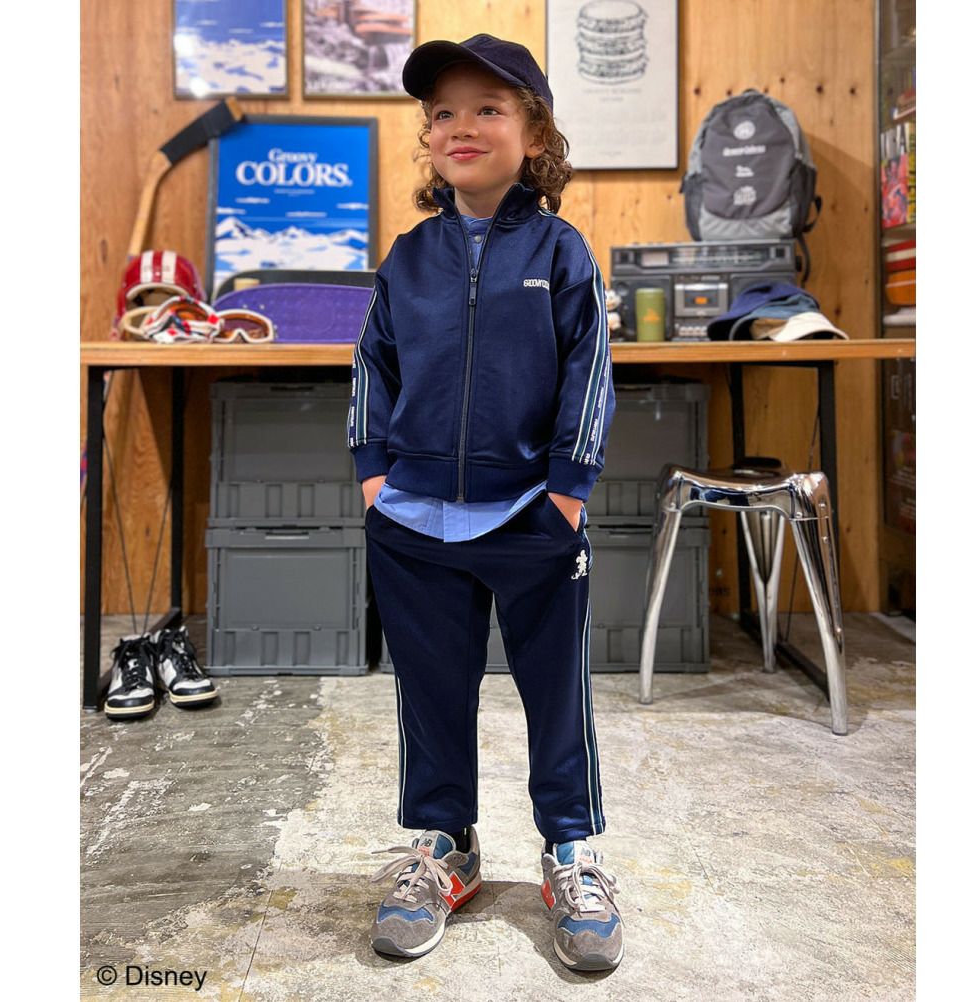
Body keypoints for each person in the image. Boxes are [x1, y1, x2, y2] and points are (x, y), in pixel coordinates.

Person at [348, 33, 622, 971]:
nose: (461, 126)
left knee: (557, 692)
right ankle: (444, 846)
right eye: (443, 113)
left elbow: (591, 372)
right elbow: (372, 365)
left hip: (531, 517)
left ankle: (572, 852)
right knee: (430, 693)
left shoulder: (561, 252)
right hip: (413, 520)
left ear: (535, 135)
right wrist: (374, 474)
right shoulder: (409, 257)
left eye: (489, 109)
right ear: (429, 139)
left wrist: (568, 491)